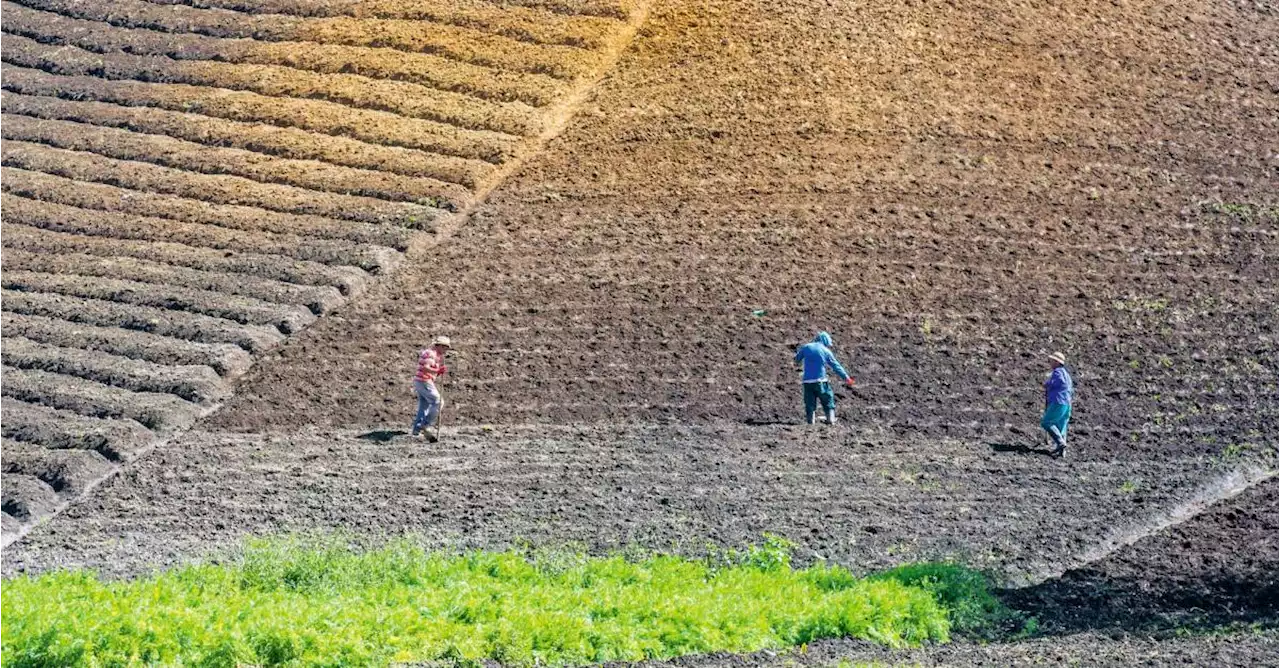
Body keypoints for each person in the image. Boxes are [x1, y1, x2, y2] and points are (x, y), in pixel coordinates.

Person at [793, 331, 855, 425]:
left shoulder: (806, 347)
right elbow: (836, 366)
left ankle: (811, 422)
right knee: (828, 399)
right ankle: (830, 419)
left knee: (810, 403)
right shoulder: (825, 351)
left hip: (807, 382)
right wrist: (847, 378)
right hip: (821, 381)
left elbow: (797, 359)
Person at [412, 336, 451, 441]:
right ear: (440, 346)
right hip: (424, 381)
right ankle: (426, 425)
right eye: (445, 348)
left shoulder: (434, 354)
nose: (446, 350)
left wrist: (438, 372)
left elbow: (429, 370)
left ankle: (416, 431)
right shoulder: (431, 354)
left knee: (424, 406)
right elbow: (425, 368)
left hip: (421, 381)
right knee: (438, 401)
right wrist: (438, 371)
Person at [1042, 351, 1074, 457]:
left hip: (1058, 401)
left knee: (1046, 422)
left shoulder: (1058, 372)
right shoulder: (1067, 374)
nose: (1050, 363)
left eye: (1051, 361)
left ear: (1056, 362)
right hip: (1067, 403)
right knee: (1061, 425)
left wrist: (1048, 384)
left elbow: (1058, 382)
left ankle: (1060, 442)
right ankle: (1061, 451)